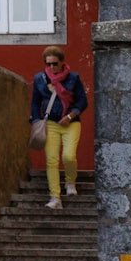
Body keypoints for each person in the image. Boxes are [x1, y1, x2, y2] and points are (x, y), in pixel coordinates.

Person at [31, 47, 89, 209]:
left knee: (68, 156)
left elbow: (83, 101)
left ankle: (70, 182)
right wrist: (36, 121)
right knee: (51, 160)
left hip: (71, 123)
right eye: (47, 64)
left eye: (54, 64)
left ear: (62, 62)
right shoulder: (40, 79)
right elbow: (35, 102)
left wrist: (70, 116)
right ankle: (55, 197)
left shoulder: (73, 78)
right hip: (50, 123)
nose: (51, 67)